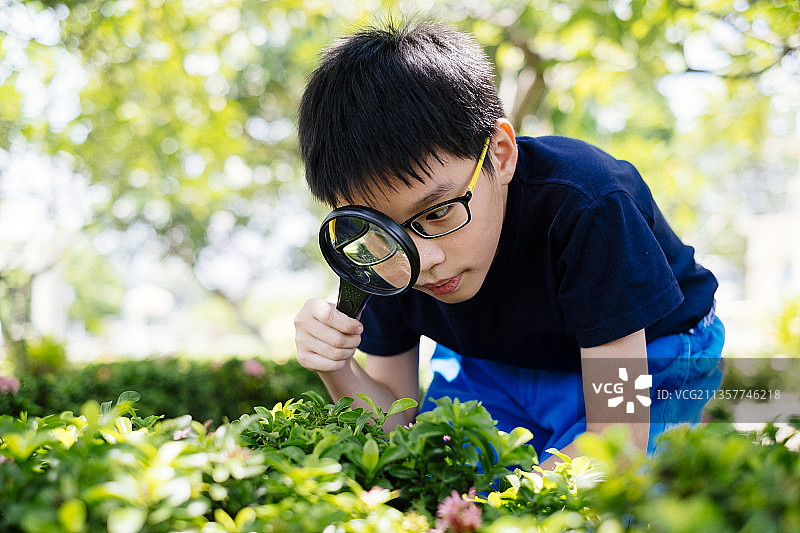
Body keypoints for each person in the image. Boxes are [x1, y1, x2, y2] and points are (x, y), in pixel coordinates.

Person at [293, 19, 725, 470]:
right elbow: (395, 425)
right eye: (383, 229)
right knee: (442, 476)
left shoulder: (587, 204)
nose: (421, 261)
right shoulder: (383, 257)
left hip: (649, 350)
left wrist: (495, 515)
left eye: (437, 212)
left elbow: (618, 440)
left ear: (499, 154)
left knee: (617, 505)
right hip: (497, 359)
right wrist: (335, 365)